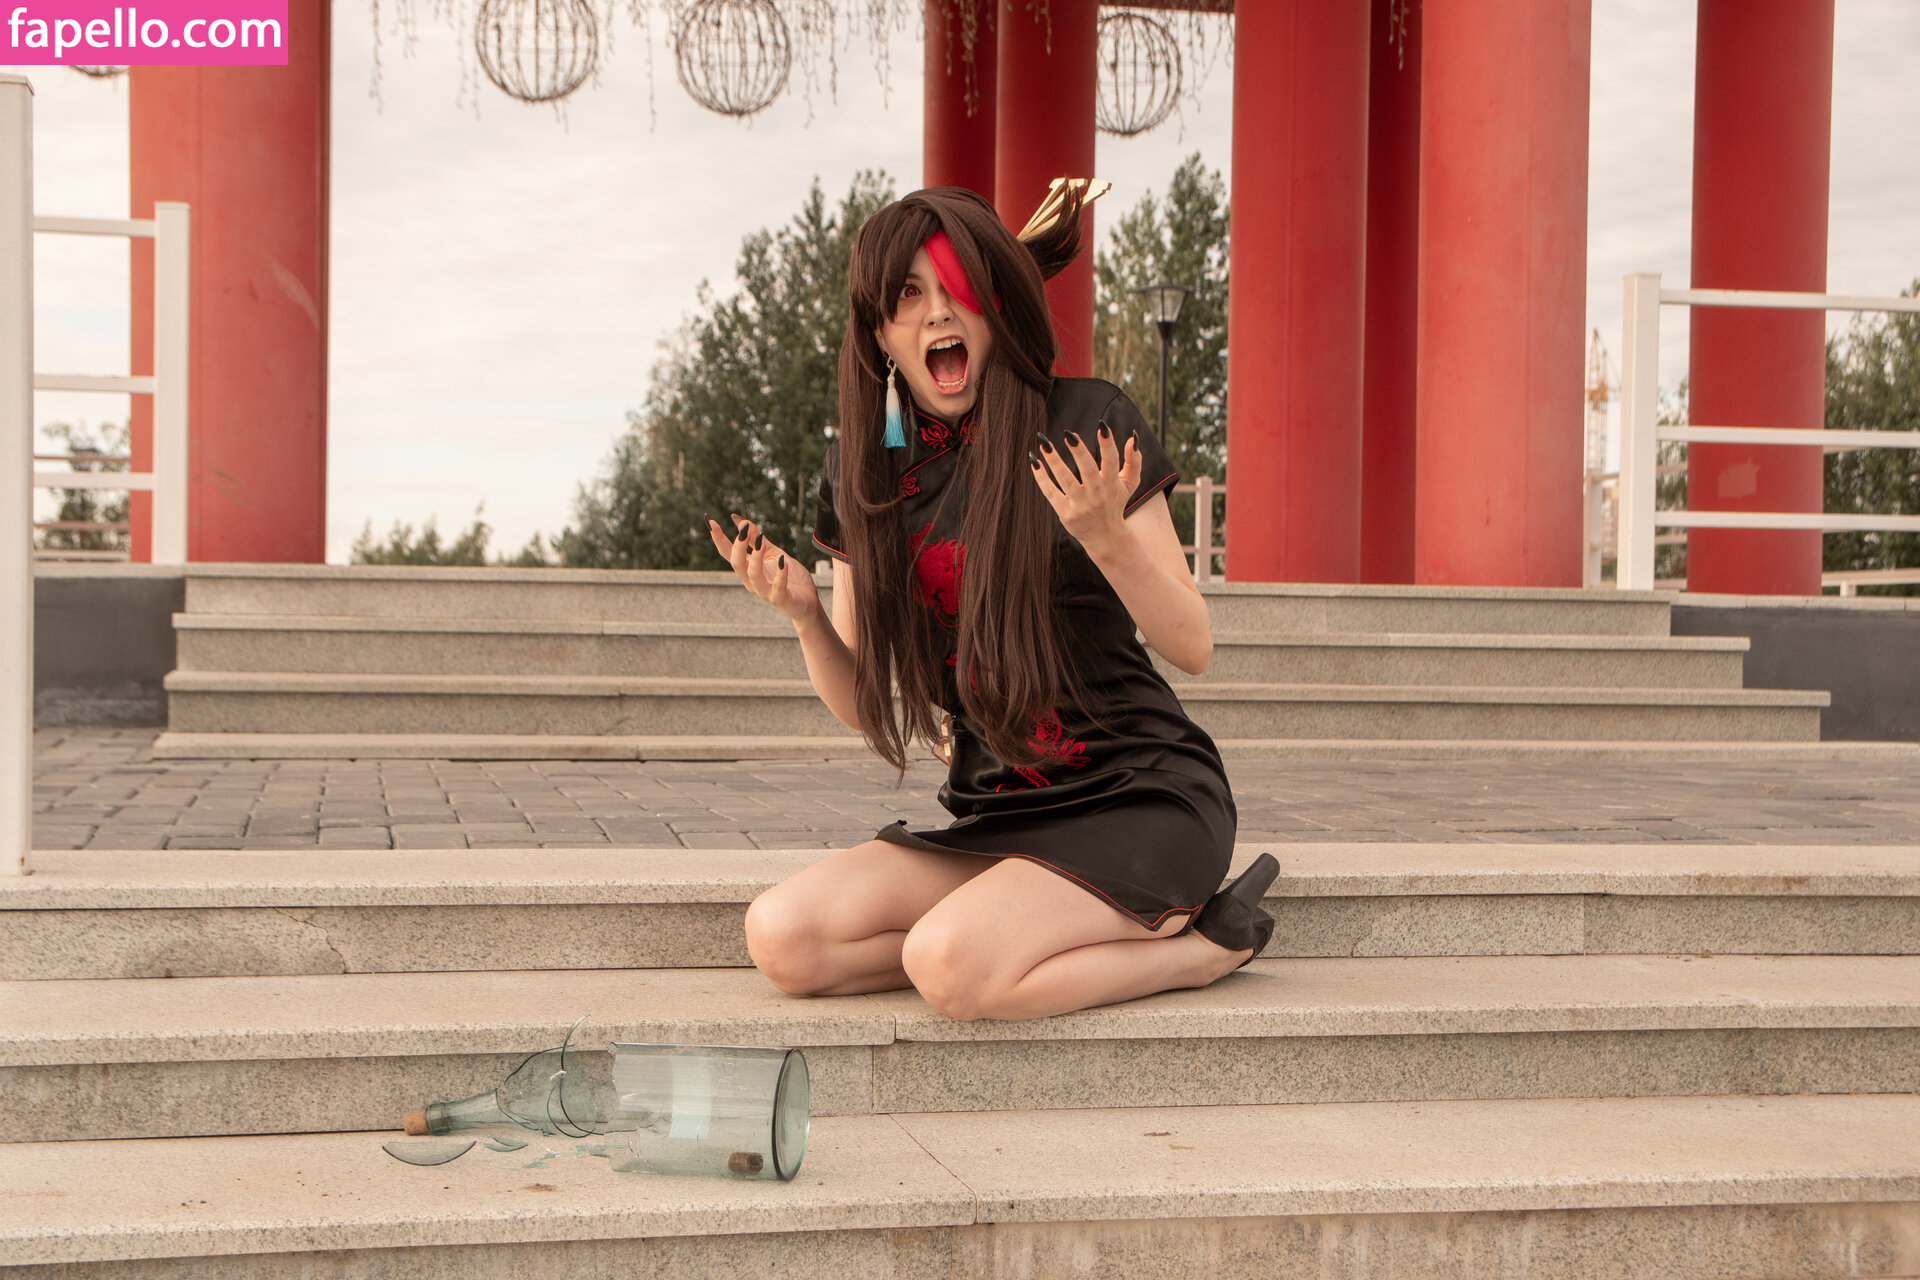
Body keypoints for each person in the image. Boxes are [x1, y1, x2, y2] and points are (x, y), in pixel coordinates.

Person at [706, 183, 1276, 1023]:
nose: (937, 312)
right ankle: (1003, 930)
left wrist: (1107, 539)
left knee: (948, 965)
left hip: (1139, 796)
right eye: (909, 295)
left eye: (956, 287)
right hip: (996, 813)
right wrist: (805, 615)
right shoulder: (866, 474)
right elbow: (862, 699)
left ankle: (1200, 953)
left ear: (993, 303)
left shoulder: (1085, 419)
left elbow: (1193, 644)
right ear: (880, 335)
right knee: (784, 937)